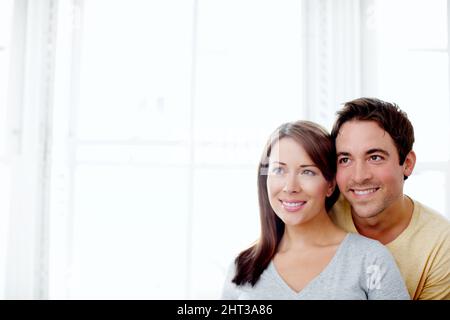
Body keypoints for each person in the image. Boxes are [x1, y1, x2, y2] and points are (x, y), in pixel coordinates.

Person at [221, 120, 409, 299]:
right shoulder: (242, 266)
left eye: (307, 172)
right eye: (279, 170)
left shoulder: (370, 260)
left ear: (330, 185)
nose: (290, 187)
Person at [329, 97, 450, 300]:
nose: (359, 176)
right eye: (345, 159)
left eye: (375, 157)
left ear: (408, 163)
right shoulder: (319, 213)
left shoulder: (441, 246)